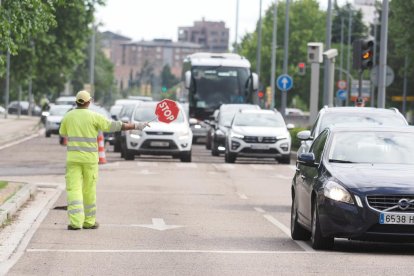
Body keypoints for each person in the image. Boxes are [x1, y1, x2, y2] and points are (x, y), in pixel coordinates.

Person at [59, 90, 149, 230]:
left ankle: (75, 223)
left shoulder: (68, 116)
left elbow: (62, 133)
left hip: (73, 160)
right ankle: (89, 222)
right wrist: (136, 125)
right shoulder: (94, 116)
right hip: (90, 160)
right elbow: (114, 126)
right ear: (89, 102)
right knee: (89, 190)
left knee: (73, 189)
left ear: (76, 102)